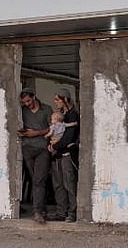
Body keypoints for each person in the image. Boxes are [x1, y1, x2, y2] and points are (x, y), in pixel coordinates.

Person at [18, 87, 53, 224]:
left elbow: (52, 128)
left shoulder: (47, 109)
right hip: (27, 148)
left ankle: (37, 211)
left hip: (42, 149)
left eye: (28, 101)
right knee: (36, 180)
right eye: (24, 102)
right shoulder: (22, 111)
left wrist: (36, 133)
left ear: (34, 96)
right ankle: (41, 209)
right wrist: (23, 132)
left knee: (39, 180)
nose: (27, 104)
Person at [48, 88, 80, 223]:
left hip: (66, 155)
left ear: (65, 99)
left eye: (57, 99)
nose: (55, 102)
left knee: (69, 184)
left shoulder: (73, 115)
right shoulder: (61, 114)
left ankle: (72, 212)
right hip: (57, 155)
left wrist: (54, 146)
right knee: (58, 184)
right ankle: (61, 212)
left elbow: (69, 137)